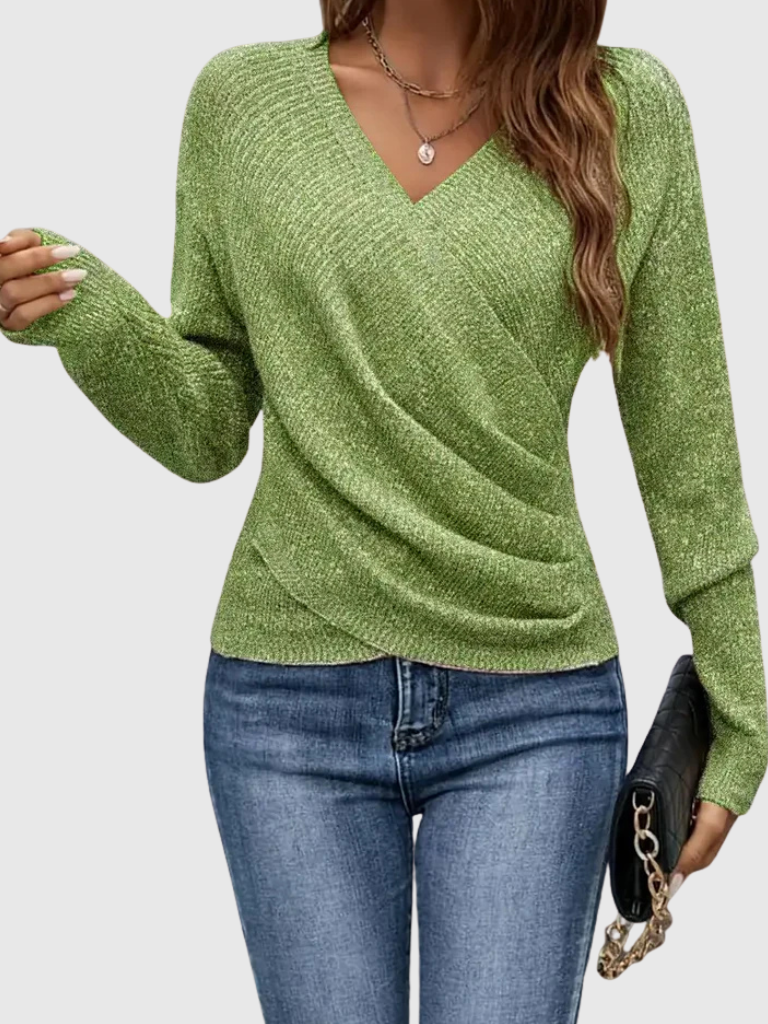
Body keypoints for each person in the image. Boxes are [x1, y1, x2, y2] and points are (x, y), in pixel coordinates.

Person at [1, 1, 765, 1020]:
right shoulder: (244, 104)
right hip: (287, 704)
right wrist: (87, 313)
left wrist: (742, 713)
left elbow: (686, 441)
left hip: (535, 702)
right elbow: (207, 425)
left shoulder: (626, 108)